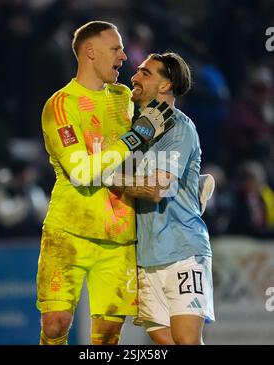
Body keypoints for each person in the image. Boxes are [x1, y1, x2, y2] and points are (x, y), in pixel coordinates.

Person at [36, 21, 173, 345]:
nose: (124, 56)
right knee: (56, 324)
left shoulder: (123, 98)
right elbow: (81, 172)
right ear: (90, 52)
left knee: (108, 335)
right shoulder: (61, 105)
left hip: (119, 235)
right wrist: (133, 136)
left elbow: (150, 149)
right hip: (68, 233)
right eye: (116, 48)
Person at [111, 52, 215, 345]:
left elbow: (158, 189)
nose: (134, 77)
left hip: (183, 251)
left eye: (145, 73)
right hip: (146, 255)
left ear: (166, 85)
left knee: (186, 339)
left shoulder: (179, 128)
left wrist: (106, 178)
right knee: (162, 338)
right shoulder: (132, 129)